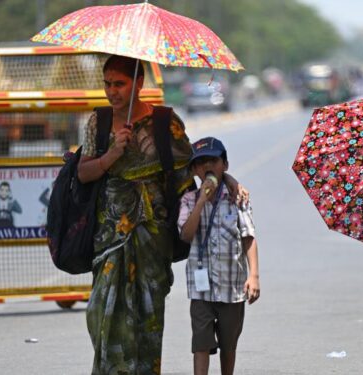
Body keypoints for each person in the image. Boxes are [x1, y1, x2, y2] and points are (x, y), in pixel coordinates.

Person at [77, 55, 246, 374]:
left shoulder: (165, 123)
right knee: (100, 310)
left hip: (153, 238)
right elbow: (84, 173)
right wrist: (113, 153)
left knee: (147, 317)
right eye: (107, 84)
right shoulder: (97, 123)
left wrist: (228, 179)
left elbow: (190, 171)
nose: (112, 92)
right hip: (110, 236)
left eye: (119, 84)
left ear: (139, 84)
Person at [178, 137, 259, 375]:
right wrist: (202, 200)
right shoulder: (189, 200)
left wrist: (254, 275)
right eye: (200, 163)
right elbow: (186, 234)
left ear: (225, 164)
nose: (207, 167)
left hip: (231, 287)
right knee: (200, 344)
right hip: (200, 288)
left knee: (228, 344)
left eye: (212, 160)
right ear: (194, 170)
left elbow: (248, 237)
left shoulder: (238, 199)